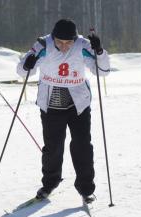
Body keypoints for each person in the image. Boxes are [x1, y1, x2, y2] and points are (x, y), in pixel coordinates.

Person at [17, 19, 110, 203]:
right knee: (52, 148)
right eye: (60, 42)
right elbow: (22, 71)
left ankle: (86, 189)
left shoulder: (83, 45)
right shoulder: (43, 44)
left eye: (69, 42)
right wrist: (27, 64)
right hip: (51, 105)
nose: (65, 46)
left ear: (75, 39)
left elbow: (103, 71)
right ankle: (50, 183)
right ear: (53, 37)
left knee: (82, 146)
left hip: (78, 105)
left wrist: (99, 51)